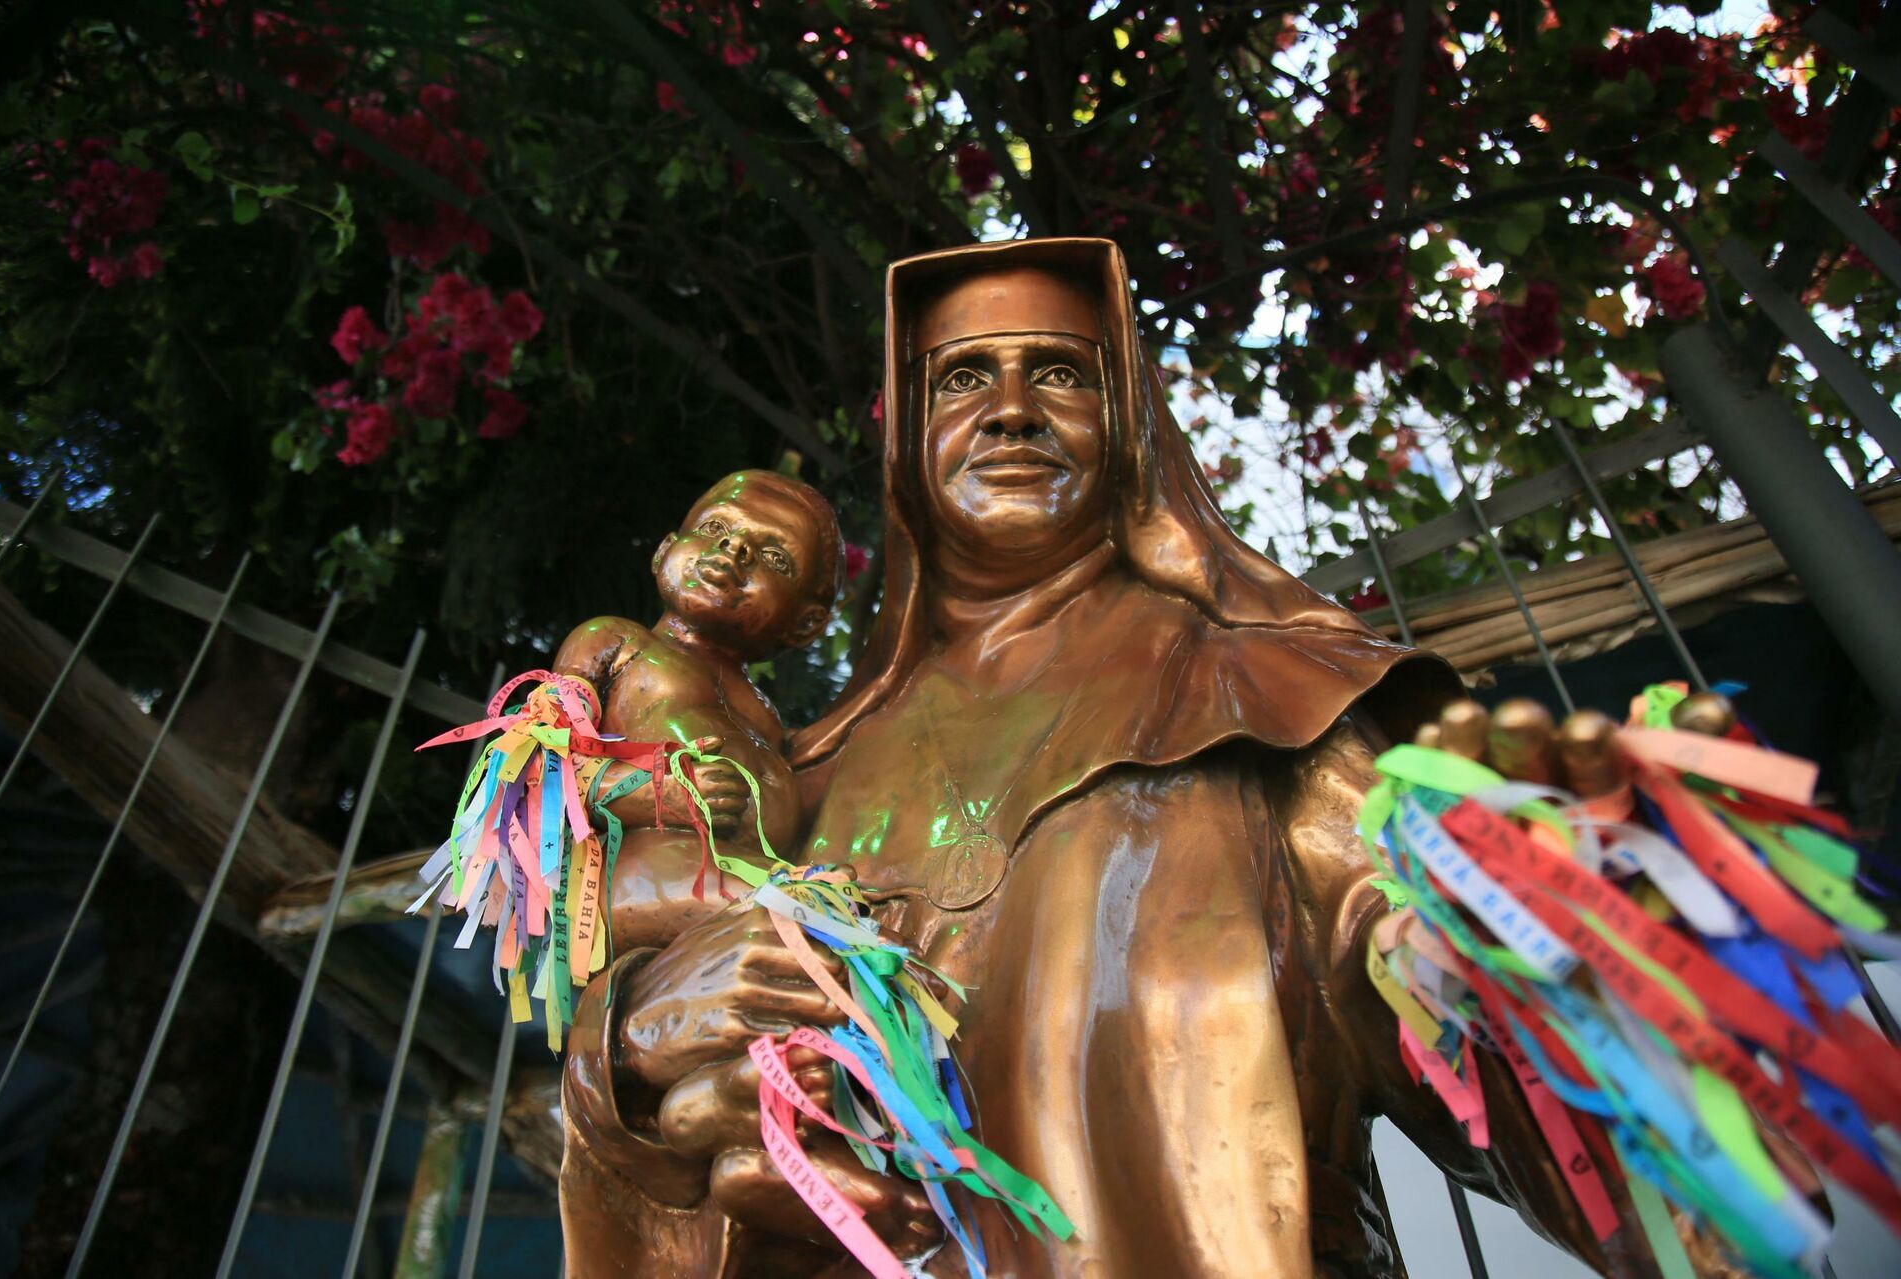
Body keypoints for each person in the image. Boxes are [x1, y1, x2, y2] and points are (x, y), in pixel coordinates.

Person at [555, 239, 1716, 1277]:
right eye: (962, 379)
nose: (1009, 409)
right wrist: (636, 1029)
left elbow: (1526, 1077)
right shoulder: (794, 779)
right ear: (910, 445)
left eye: (1057, 371)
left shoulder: (1278, 705)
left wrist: (1571, 940)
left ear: (1132, 426)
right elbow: (656, 1130)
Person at [553, 469, 841, 953]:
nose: (735, 549)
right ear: (665, 550)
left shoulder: (771, 726)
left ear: (806, 624)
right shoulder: (617, 643)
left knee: (834, 919)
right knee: (817, 924)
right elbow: (532, 772)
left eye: (774, 556)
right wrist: (657, 796)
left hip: (744, 893)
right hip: (632, 884)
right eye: (716, 529)